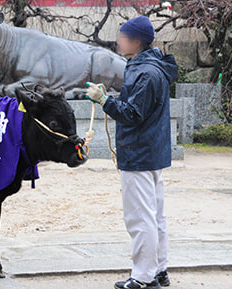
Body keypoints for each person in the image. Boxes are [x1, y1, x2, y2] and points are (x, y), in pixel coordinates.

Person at [86, 16, 178, 289]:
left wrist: (103, 100)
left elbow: (133, 114)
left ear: (136, 41)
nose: (118, 41)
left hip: (138, 154)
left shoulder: (145, 72)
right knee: (155, 215)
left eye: (122, 36)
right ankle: (158, 269)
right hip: (151, 152)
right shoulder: (152, 68)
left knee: (140, 217)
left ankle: (143, 276)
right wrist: (110, 97)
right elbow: (137, 106)